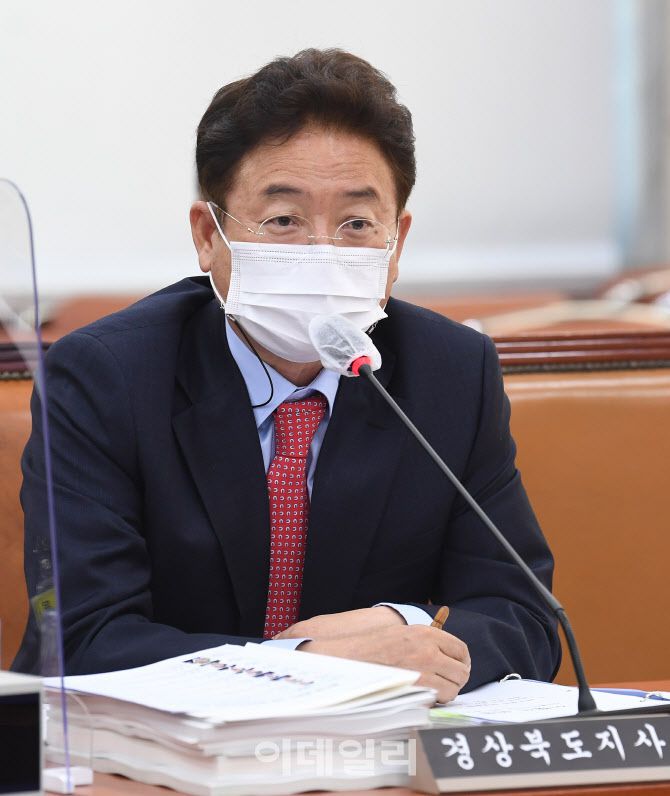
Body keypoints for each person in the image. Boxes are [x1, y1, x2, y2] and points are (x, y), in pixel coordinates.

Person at [14, 49, 560, 701]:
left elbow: (524, 616)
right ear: (208, 235)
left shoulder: (452, 373)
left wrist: (404, 627)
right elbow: (84, 639)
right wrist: (308, 664)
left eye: (356, 223)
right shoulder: (104, 376)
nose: (321, 251)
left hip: (371, 749)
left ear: (397, 244)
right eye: (283, 221)